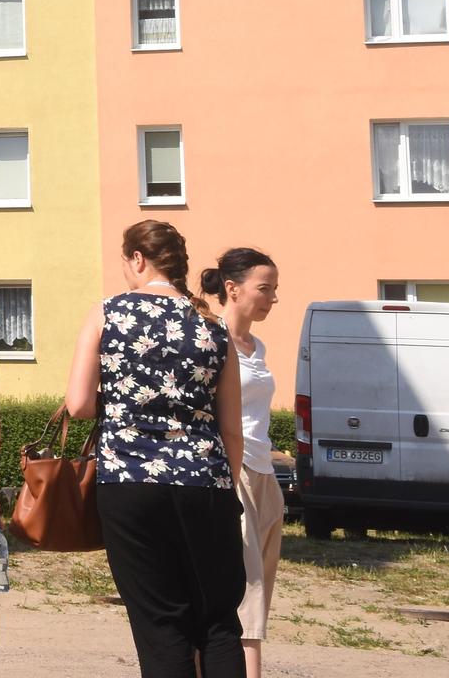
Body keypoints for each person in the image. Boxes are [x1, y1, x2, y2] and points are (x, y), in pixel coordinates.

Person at [63, 221, 247, 678]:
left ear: (138, 259)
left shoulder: (108, 312)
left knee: (160, 621)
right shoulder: (213, 326)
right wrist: (226, 487)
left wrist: (128, 402)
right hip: (205, 482)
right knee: (218, 621)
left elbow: (79, 404)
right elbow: (232, 428)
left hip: (129, 481)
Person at [205, 248, 282, 678]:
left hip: (264, 474)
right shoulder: (212, 339)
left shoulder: (257, 345)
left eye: (274, 289)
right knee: (247, 585)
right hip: (231, 473)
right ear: (232, 289)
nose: (271, 298)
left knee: (262, 587)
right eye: (264, 288)